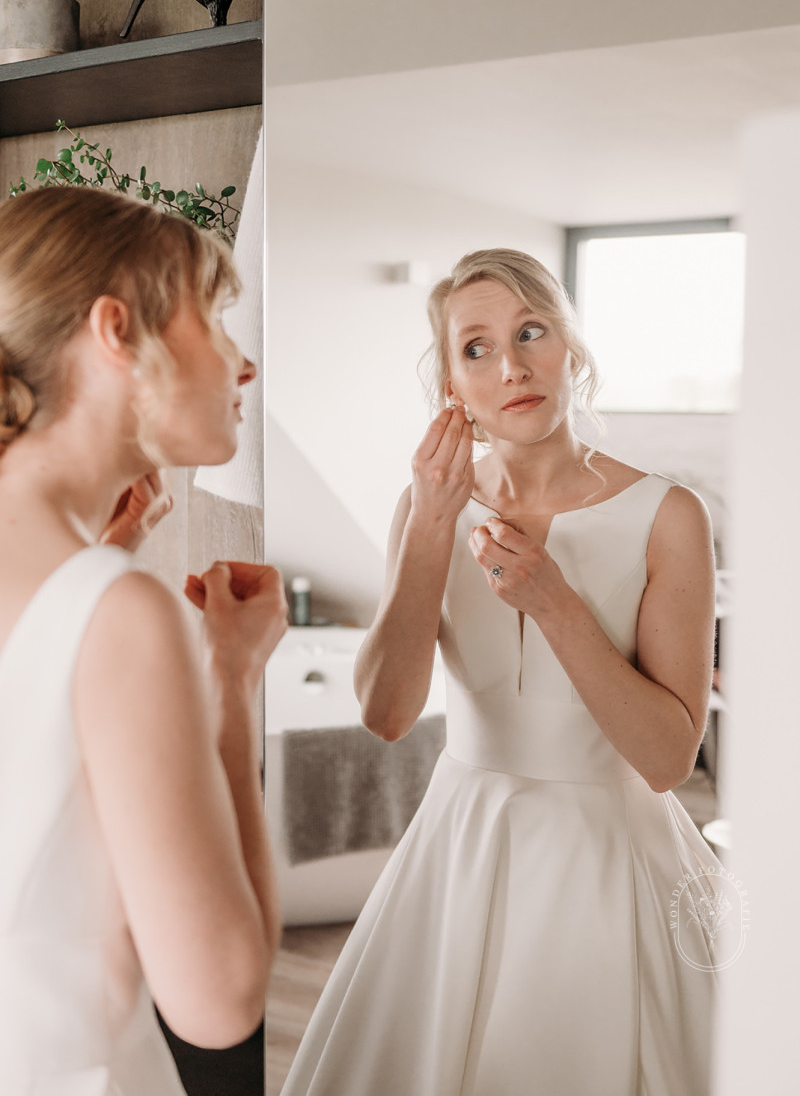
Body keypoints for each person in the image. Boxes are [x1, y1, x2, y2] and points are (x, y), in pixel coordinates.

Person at [281, 248, 720, 1096]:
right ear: (452, 382)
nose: (511, 366)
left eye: (531, 332)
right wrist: (428, 531)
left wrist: (554, 601)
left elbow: (668, 762)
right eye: (476, 347)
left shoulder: (669, 514)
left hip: (609, 857)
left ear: (572, 349)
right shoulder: (428, 503)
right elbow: (385, 713)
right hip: (462, 843)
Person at [0, 186, 287, 1093]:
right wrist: (231, 676)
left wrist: (106, 552)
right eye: (215, 319)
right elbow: (220, 998)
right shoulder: (119, 614)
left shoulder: (87, 598)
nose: (243, 366)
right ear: (117, 332)